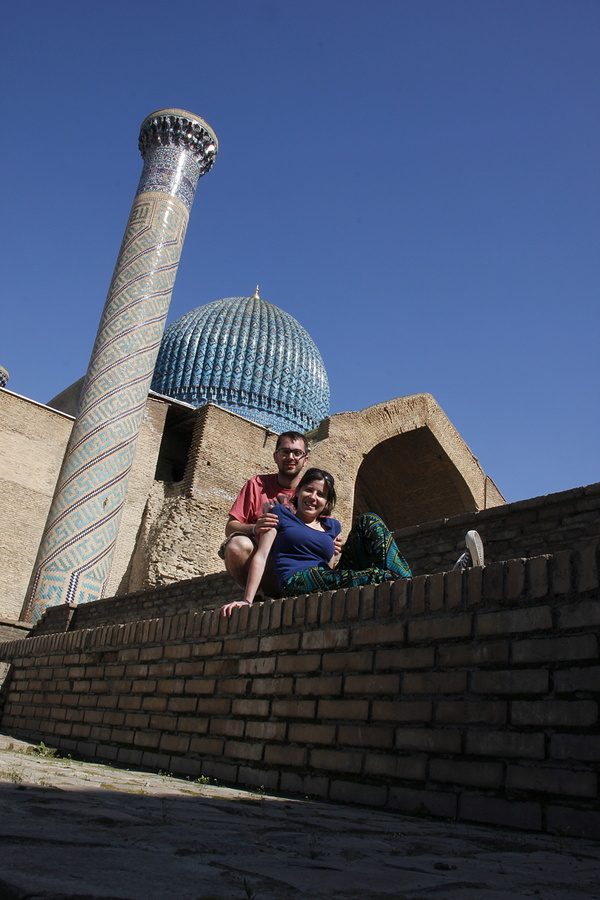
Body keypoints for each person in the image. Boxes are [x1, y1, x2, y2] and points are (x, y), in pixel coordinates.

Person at [221, 468, 485, 616]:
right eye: (308, 490)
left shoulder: (332, 526)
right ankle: (433, 587)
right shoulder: (279, 515)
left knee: (369, 520)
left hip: (324, 576)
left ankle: (411, 583)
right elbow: (262, 555)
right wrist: (248, 600)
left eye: (320, 494)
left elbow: (332, 566)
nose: (313, 497)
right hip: (296, 581)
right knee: (375, 576)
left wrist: (337, 557)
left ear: (327, 501)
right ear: (297, 493)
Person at [219, 431, 312, 597]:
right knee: (236, 546)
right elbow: (230, 527)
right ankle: (257, 595)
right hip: (263, 562)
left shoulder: (310, 494)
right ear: (275, 457)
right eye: (285, 452)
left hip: (295, 563)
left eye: (297, 453)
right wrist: (255, 529)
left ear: (305, 459)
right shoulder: (257, 484)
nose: (291, 457)